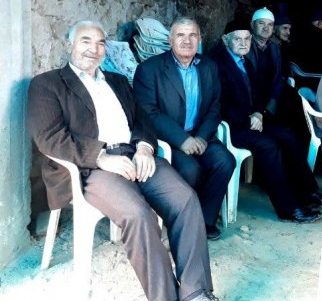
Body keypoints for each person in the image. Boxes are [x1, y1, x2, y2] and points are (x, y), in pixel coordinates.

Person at [28, 21, 218, 301]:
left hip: (135, 156)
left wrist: (144, 147)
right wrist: (101, 157)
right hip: (91, 167)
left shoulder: (117, 81)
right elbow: (49, 138)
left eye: (100, 43)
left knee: (186, 201)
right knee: (138, 214)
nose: (94, 49)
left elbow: (142, 119)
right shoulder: (47, 84)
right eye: (85, 41)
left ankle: (196, 292)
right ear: (69, 45)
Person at [209, 20, 322, 223]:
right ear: (226, 40)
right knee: (269, 145)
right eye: (237, 39)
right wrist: (249, 118)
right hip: (231, 126)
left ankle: (307, 192)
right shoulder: (217, 64)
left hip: (251, 120)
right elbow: (219, 103)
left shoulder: (244, 60)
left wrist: (259, 113)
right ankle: (288, 209)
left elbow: (258, 94)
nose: (243, 43)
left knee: (288, 136)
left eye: (247, 39)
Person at [133, 17, 235, 241]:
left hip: (200, 134)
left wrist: (202, 137)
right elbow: (148, 112)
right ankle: (181, 219)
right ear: (170, 40)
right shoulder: (149, 69)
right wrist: (182, 140)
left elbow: (215, 106)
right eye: (180, 35)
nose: (187, 41)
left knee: (225, 161)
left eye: (192, 35)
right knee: (190, 170)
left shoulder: (209, 66)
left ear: (200, 39)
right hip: (169, 138)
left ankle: (205, 221)